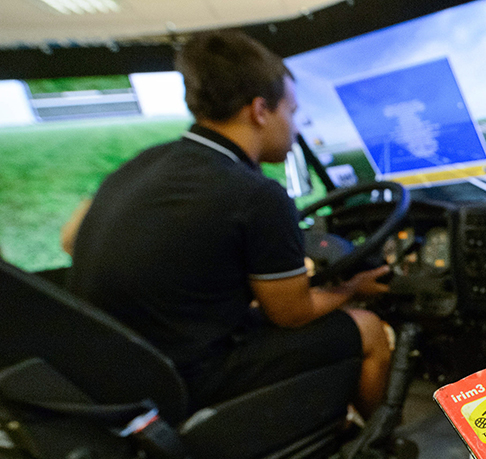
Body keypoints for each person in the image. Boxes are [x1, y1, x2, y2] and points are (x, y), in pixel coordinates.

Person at [67, 30, 391, 417]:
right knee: (368, 328)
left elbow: (70, 239)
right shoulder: (257, 194)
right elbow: (292, 314)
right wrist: (353, 288)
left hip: (112, 373)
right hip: (185, 381)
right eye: (291, 112)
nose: (295, 127)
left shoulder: (143, 162)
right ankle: (383, 444)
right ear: (260, 110)